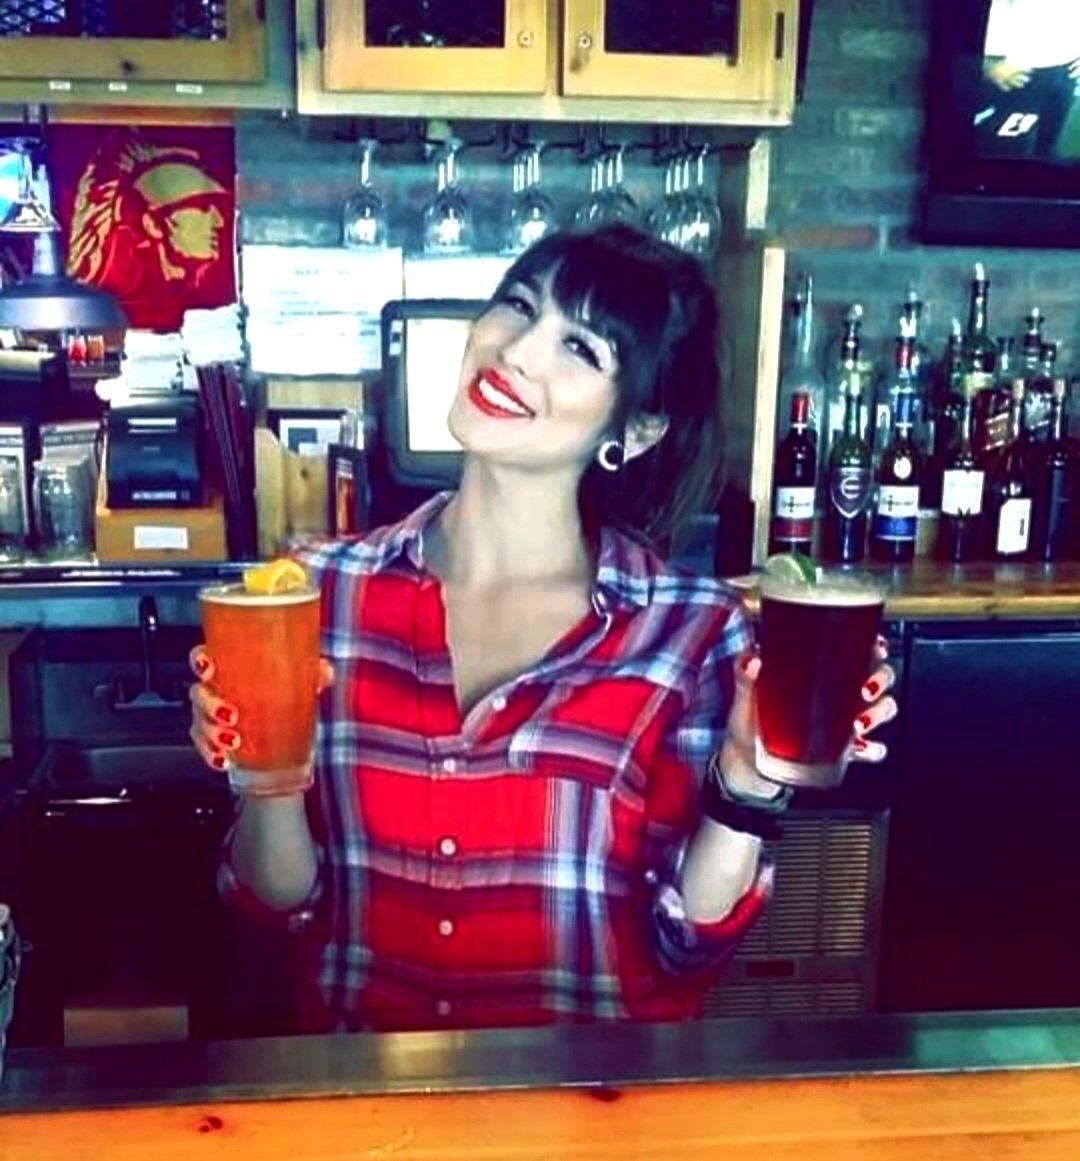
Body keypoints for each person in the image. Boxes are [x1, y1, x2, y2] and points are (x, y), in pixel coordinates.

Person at [190, 224, 897, 1034]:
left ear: (634, 432)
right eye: (518, 306)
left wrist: (745, 783)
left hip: (590, 1111)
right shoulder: (315, 594)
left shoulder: (690, 632)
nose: (518, 350)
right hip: (363, 1107)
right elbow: (277, 917)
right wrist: (267, 775)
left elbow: (686, 948)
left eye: (581, 349)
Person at [66, 130, 232, 331]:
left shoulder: (211, 288)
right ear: (152, 225)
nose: (219, 221)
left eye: (218, 208)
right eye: (202, 208)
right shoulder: (112, 277)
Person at [976, 0, 1080, 159]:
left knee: (1048, 149)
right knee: (1003, 149)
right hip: (1012, 70)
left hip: (1068, 72)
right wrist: (984, 63)